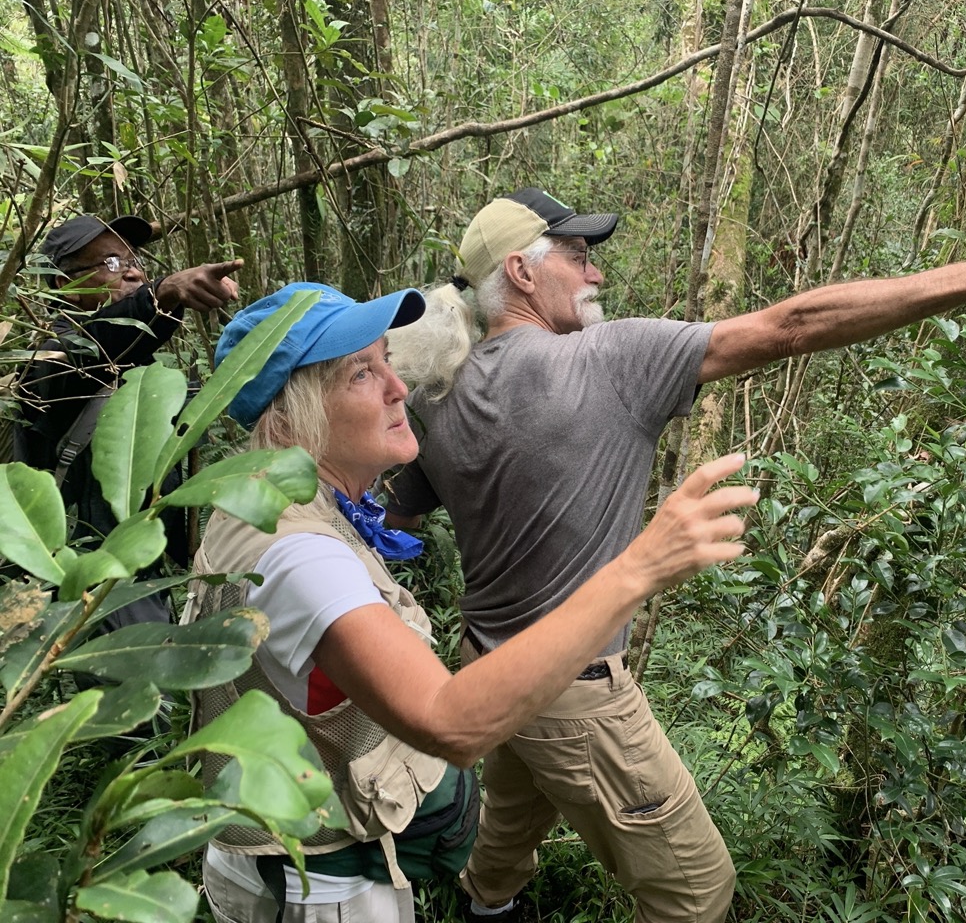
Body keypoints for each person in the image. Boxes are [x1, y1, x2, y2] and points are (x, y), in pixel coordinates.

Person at [381, 187, 966, 923]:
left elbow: (397, 516)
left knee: (501, 848)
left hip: (490, 673)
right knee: (699, 894)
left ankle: (487, 907)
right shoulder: (609, 361)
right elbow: (791, 325)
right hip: (575, 695)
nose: (596, 273)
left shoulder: (437, 396)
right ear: (524, 273)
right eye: (578, 256)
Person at [187, 281, 756, 923]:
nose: (397, 388)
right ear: (287, 416)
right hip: (324, 886)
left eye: (387, 362)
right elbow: (449, 722)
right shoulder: (303, 555)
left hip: (264, 853)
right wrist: (638, 568)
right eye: (360, 374)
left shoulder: (251, 497)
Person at [15, 213, 240, 631]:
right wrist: (166, 292)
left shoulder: (131, 361)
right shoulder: (48, 360)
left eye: (133, 259)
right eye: (113, 264)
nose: (134, 272)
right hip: (94, 572)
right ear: (65, 285)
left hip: (141, 563)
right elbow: (98, 346)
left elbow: (127, 341)